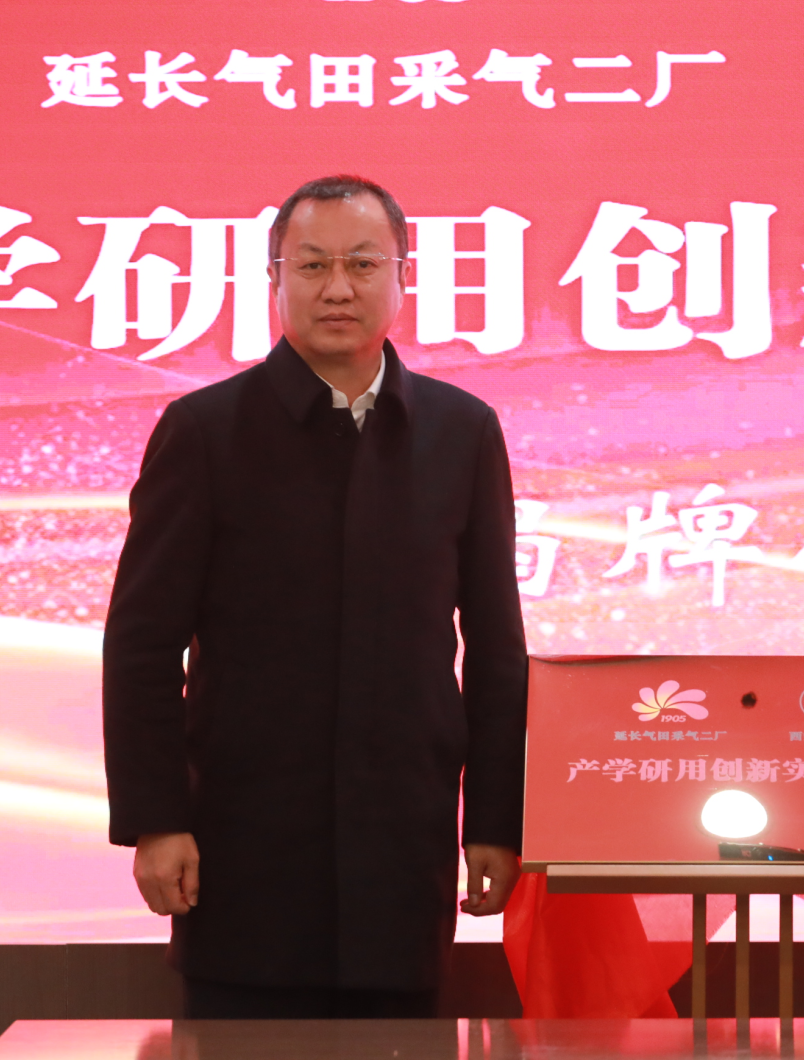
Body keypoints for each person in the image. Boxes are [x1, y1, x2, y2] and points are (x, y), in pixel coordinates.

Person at [101, 175, 528, 1019]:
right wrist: (156, 819)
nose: (338, 288)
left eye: (363, 264)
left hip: (403, 838)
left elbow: (495, 646)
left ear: (403, 277)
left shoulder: (461, 432)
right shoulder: (205, 431)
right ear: (275, 279)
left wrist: (495, 821)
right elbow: (142, 643)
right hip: (241, 842)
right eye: (313, 265)